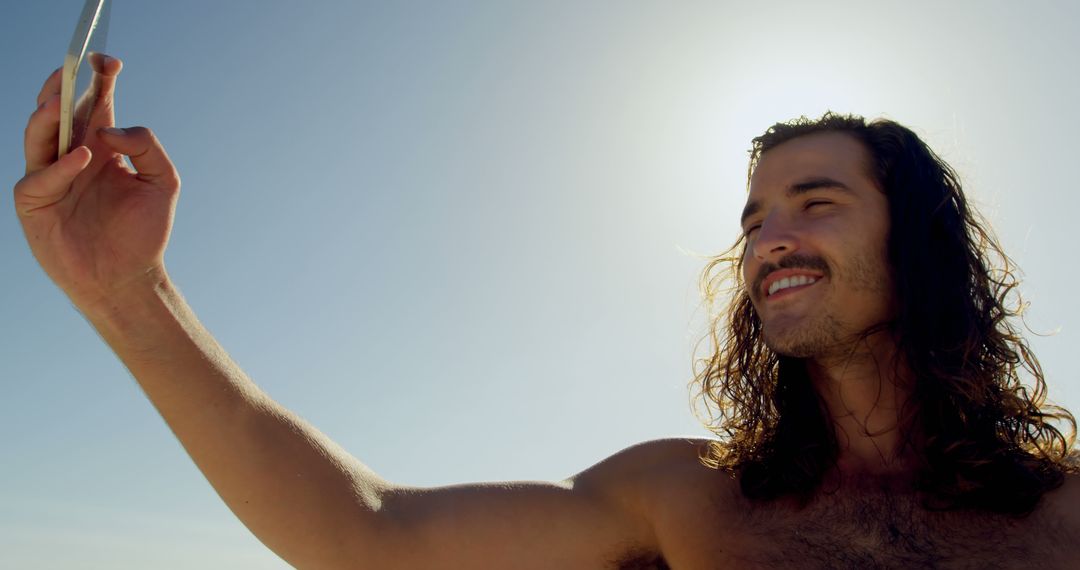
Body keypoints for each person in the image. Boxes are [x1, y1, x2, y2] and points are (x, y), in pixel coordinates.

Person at [16, 58, 1080, 569]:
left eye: (817, 203)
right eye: (753, 218)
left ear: (918, 243)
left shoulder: (1061, 511)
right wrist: (125, 294)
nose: (769, 241)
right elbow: (365, 533)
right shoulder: (686, 498)